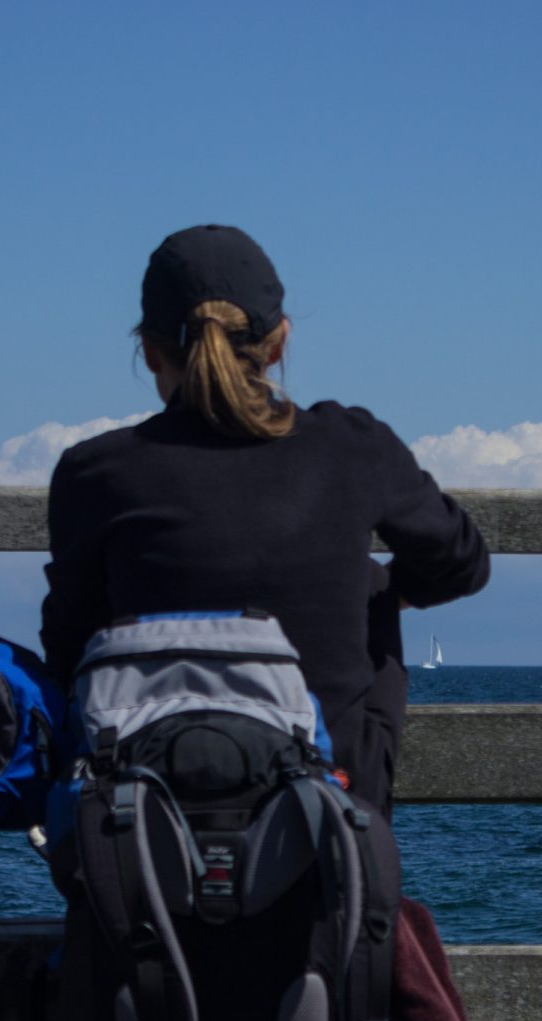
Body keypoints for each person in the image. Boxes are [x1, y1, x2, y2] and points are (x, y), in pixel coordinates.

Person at [39, 224, 488, 813]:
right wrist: (372, 591)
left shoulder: (94, 471)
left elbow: (69, 645)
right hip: (326, 805)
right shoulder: (350, 447)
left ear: (149, 350)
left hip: (145, 812)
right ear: (278, 344)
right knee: (371, 589)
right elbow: (461, 563)